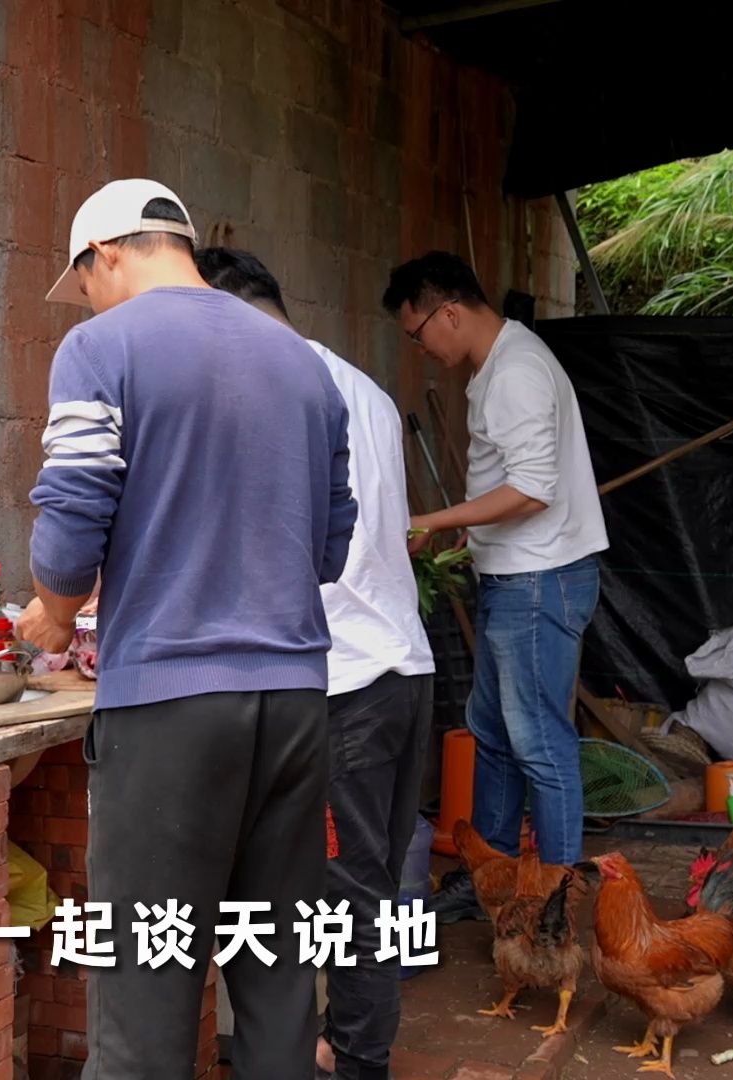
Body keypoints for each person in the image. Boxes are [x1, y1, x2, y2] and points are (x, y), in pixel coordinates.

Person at [17, 180, 358, 1080]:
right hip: (293, 702)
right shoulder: (303, 364)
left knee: (145, 993)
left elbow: (72, 523)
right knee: (280, 977)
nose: (84, 300)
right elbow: (331, 545)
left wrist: (52, 616)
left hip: (169, 709)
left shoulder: (99, 348)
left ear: (109, 254)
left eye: (81, 280)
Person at [194, 247, 434, 1080]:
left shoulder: (271, 391)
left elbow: (273, 550)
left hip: (348, 684)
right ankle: (346, 1041)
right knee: (374, 882)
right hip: (405, 670)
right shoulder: (361, 386)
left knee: (352, 895)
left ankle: (358, 1063)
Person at [381, 251, 607, 920]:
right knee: (496, 731)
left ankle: (555, 901)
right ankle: (498, 880)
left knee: (539, 741)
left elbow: (533, 490)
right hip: (518, 575)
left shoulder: (516, 373)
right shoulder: (502, 365)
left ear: (448, 312)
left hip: (538, 582)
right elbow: (516, 482)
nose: (421, 350)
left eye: (419, 333)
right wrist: (468, 535)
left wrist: (432, 516)